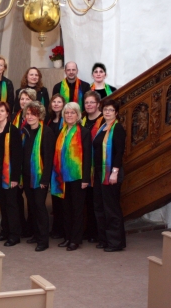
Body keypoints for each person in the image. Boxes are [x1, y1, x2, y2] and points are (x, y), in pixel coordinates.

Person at [51, 102, 92, 251]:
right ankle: (67, 237)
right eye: (67, 113)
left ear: (78, 115)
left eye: (72, 113)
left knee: (77, 210)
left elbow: (88, 156)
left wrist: (86, 178)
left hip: (78, 177)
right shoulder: (62, 132)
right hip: (62, 177)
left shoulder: (84, 132)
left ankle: (75, 239)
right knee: (66, 209)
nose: (69, 115)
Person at [92, 99, 126, 252]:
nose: (107, 112)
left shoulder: (117, 128)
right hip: (99, 173)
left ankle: (115, 242)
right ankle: (104, 239)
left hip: (111, 173)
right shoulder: (102, 127)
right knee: (99, 207)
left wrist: (115, 172)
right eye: (105, 109)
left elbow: (119, 152)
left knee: (111, 208)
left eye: (111, 110)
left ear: (116, 113)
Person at [21, 101, 54, 252]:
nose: (30, 117)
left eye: (33, 114)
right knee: (32, 206)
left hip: (40, 177)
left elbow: (48, 158)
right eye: (27, 114)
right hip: (27, 176)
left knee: (40, 207)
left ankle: (43, 240)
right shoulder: (25, 131)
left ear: (39, 115)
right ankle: (35, 234)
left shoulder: (46, 132)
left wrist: (45, 179)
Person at [0, 101, 22, 246]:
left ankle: (14, 235)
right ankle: (5, 232)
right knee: (2, 205)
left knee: (11, 205)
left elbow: (17, 156)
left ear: (7, 114)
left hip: (9, 176)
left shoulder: (13, 131)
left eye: (2, 111)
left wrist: (15, 178)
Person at [9, 88, 36, 233]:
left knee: (32, 198)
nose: (24, 102)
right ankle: (21, 226)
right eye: (22, 99)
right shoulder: (13, 116)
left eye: (27, 99)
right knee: (16, 197)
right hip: (14, 161)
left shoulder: (36, 119)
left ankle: (32, 228)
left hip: (30, 162)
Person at [82, 91, 105, 243]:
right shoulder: (82, 120)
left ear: (98, 104)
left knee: (98, 202)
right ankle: (89, 230)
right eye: (86, 103)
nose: (89, 105)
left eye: (92, 102)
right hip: (84, 166)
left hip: (98, 166)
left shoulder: (104, 120)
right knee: (87, 201)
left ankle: (98, 233)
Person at [46, 93, 66, 240]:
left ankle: (63, 228)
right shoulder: (48, 121)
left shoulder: (67, 121)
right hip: (50, 162)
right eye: (54, 102)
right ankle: (56, 228)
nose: (56, 104)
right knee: (55, 198)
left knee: (63, 198)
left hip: (62, 164)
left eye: (59, 102)